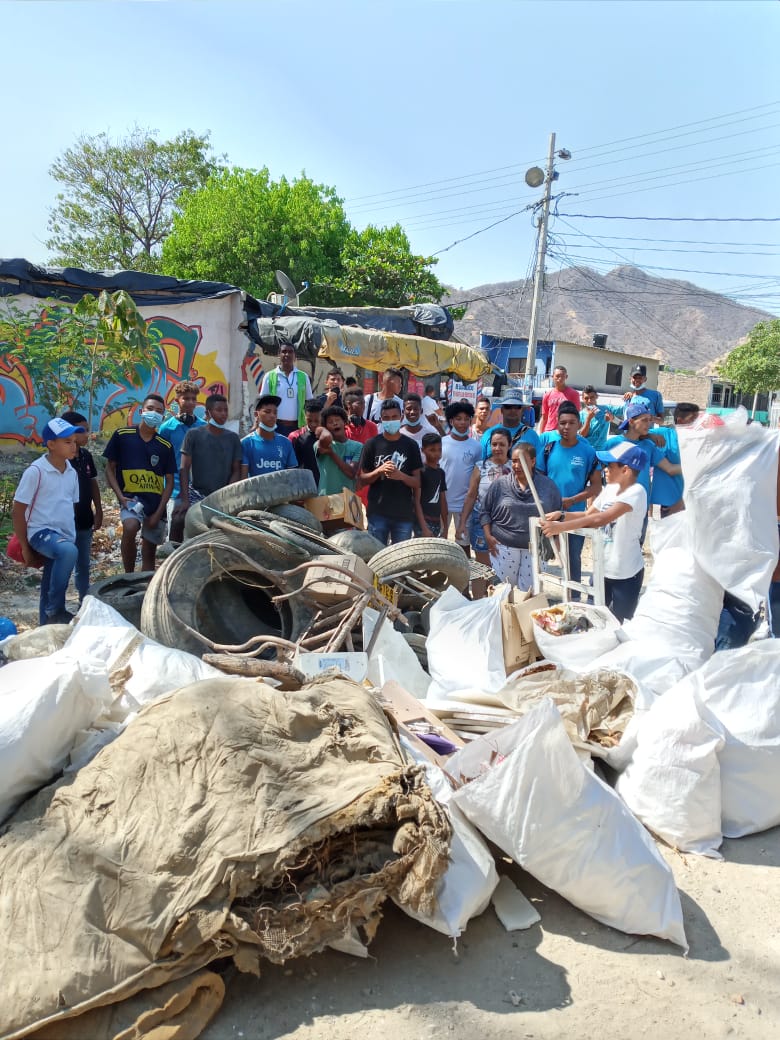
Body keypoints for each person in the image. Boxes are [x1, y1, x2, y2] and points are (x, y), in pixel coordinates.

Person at [541, 440, 648, 623]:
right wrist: (562, 516)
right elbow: (587, 514)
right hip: (602, 569)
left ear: (626, 470)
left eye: (609, 466)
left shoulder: (637, 492)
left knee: (620, 623)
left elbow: (601, 519)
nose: (604, 469)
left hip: (626, 573)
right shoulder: (609, 490)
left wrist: (560, 527)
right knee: (596, 620)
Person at [12, 417, 82, 625]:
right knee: (69, 552)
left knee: (49, 584)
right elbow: (18, 511)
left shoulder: (71, 472)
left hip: (64, 535)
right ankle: (56, 608)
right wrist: (24, 546)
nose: (73, 446)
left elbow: (71, 506)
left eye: (74, 441)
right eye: (67, 442)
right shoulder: (36, 471)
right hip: (41, 532)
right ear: (51, 445)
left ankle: (46, 627)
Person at [104, 394, 176, 573]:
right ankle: (128, 577)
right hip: (130, 499)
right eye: (150, 409)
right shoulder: (122, 435)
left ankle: (144, 588)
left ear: (163, 416)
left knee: (149, 552)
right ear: (142, 411)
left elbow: (169, 482)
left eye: (159, 411)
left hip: (155, 504)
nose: (154, 414)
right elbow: (109, 468)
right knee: (130, 526)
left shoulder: (164, 445)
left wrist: (159, 512)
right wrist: (121, 497)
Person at [538, 402, 603, 596]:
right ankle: (539, 595)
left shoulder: (588, 452)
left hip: (574, 515)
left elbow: (597, 486)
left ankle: (573, 597)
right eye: (562, 423)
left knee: (572, 556)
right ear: (557, 424)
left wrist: (572, 500)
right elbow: (539, 479)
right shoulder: (548, 448)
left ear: (578, 424)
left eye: (571, 423)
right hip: (548, 513)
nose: (566, 427)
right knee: (543, 554)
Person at [480, 442, 562, 589]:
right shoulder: (500, 484)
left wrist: (556, 540)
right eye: (514, 461)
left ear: (533, 461)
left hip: (537, 548)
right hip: (503, 546)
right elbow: (485, 511)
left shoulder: (548, 486)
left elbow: (558, 514)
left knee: (530, 594)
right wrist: (487, 536)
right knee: (503, 592)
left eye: (522, 461)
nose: (516, 465)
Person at [604, 401, 681, 540]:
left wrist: (694, 466)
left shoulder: (648, 446)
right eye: (644, 420)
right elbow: (598, 471)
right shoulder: (613, 444)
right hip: (616, 508)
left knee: (635, 552)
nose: (649, 424)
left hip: (640, 509)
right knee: (612, 551)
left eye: (650, 420)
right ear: (632, 421)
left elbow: (669, 468)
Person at [456, 426, 512, 597]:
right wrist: (462, 523)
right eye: (494, 444)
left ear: (509, 445)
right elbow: (471, 495)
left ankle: (496, 605)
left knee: (501, 568)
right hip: (481, 521)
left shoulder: (515, 468)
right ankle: (479, 604)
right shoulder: (481, 467)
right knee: (482, 568)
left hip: (506, 524)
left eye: (502, 444)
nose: (497, 448)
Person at [358, 399, 422, 545]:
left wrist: (401, 476)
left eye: (394, 417)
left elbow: (418, 482)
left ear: (401, 417)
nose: (390, 421)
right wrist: (379, 471)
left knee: (400, 560)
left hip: (403, 514)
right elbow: (362, 479)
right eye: (386, 418)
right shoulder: (372, 444)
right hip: (377, 512)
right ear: (381, 419)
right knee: (375, 557)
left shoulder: (411, 445)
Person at [176, 394, 242, 522]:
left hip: (224, 497)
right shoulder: (193, 434)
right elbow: (184, 468)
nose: (223, 414)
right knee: (178, 520)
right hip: (197, 495)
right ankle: (173, 543)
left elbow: (236, 471)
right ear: (208, 413)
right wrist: (185, 500)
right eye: (219, 410)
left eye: (226, 410)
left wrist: (227, 495)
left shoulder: (233, 438)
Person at [61, 410, 103, 605]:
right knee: (62, 563)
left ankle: (83, 601)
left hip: (84, 518)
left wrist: (99, 510)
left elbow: (92, 482)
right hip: (63, 521)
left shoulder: (85, 456)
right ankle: (57, 603)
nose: (88, 435)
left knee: (83, 563)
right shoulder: (60, 459)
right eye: (83, 431)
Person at [159, 380, 206, 542]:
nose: (191, 402)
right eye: (186, 398)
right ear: (177, 400)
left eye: (194, 399)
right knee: (175, 539)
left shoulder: (203, 427)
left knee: (197, 538)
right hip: (175, 490)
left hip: (200, 491)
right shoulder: (166, 428)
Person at [648, 402, 699, 517]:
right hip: (671, 503)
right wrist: (650, 436)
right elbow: (632, 431)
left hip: (692, 500)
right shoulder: (665, 435)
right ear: (680, 421)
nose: (698, 423)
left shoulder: (698, 439)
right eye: (694, 419)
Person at [441, 401, 479, 548]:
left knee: (464, 546)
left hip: (464, 505)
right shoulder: (442, 443)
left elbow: (476, 477)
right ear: (451, 421)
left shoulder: (476, 447)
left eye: (466, 418)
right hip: (442, 503)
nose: (462, 422)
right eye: (458, 418)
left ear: (470, 420)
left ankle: (466, 571)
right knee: (439, 545)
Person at [240, 394, 298, 478]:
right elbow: (243, 480)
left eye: (275, 412)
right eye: (267, 412)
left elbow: (292, 477)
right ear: (256, 414)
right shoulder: (246, 443)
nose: (272, 415)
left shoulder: (286, 443)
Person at [259, 345, 313, 433]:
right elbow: (262, 403)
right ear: (279, 355)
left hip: (297, 427)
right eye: (284, 352)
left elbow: (309, 402)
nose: (287, 354)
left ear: (295, 356)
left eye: (290, 352)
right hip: (275, 426)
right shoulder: (269, 376)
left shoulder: (303, 376)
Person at [480, 388, 540, 459]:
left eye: (517, 407)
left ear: (522, 410)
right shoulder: (488, 434)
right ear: (502, 410)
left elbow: (538, 466)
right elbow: (481, 463)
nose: (513, 410)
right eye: (508, 406)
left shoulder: (532, 436)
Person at [315, 406, 363, 495]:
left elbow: (351, 473)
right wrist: (322, 429)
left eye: (337, 420)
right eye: (330, 422)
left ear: (344, 422)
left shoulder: (358, 446)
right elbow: (325, 437)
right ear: (326, 427)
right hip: (325, 499)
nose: (335, 423)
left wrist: (331, 453)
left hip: (347, 498)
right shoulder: (320, 444)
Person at [415, 432, 448, 537]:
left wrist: (446, 527)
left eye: (439, 449)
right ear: (423, 450)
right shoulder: (420, 472)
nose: (437, 453)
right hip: (422, 522)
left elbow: (442, 500)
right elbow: (416, 501)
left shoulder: (441, 473)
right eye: (432, 450)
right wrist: (424, 527)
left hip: (436, 522)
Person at [288, 399, 323, 486]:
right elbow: (292, 467)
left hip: (325, 485)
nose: (313, 424)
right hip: (306, 485)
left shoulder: (329, 435)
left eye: (317, 421)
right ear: (304, 416)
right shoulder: (295, 437)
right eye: (309, 420)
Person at [540, 366, 581, 433]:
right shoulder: (547, 395)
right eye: (557, 376)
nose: (560, 378)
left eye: (562, 376)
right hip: (549, 431)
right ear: (552, 376)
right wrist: (540, 434)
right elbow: (544, 417)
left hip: (565, 431)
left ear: (566, 377)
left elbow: (576, 415)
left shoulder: (574, 394)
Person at [578, 385, 611, 451]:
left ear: (596, 396)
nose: (589, 401)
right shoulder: (580, 415)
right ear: (583, 399)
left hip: (601, 451)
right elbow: (582, 436)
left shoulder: (606, 409)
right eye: (586, 398)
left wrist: (630, 396)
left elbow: (625, 410)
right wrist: (588, 419)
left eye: (592, 397)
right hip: (586, 450)